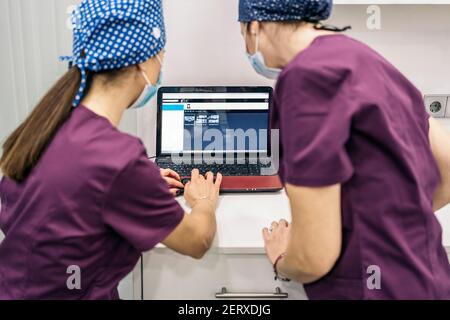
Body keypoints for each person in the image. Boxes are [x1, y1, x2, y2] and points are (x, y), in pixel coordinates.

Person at [0, 0, 221, 299]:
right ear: (143, 62)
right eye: (162, 55)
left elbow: (68, 193)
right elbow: (196, 242)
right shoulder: (118, 158)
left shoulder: (46, 124)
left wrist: (136, 186)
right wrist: (205, 202)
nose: (161, 64)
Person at [239, 0, 450, 299]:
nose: (248, 49)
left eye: (243, 36)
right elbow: (448, 166)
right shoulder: (363, 56)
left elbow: (313, 259)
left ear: (255, 27)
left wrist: (282, 260)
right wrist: (392, 229)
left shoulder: (304, 77)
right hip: (427, 278)